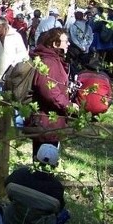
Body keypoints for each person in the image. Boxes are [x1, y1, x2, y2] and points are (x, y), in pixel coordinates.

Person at [27, 28, 77, 157]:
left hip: (52, 120)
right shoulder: (49, 62)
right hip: (47, 121)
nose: (68, 44)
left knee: (48, 162)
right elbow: (49, 92)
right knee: (44, 163)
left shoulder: (54, 60)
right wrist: (67, 106)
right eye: (65, 41)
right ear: (55, 44)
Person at [4, 143, 68, 223]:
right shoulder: (57, 188)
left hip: (12, 219)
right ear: (56, 165)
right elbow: (58, 209)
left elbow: (6, 187)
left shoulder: (18, 175)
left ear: (34, 159)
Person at [0, 17, 29, 96]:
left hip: (11, 73)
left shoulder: (15, 36)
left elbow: (23, 53)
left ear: (5, 26)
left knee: (11, 100)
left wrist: (14, 63)